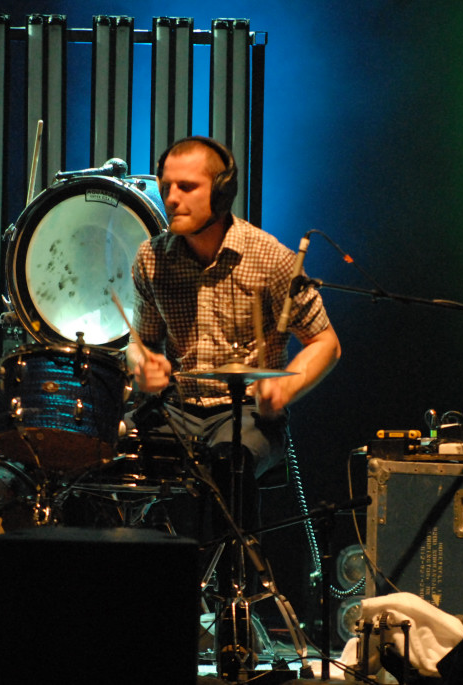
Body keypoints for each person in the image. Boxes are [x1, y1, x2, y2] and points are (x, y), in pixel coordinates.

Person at [125, 136, 340, 524]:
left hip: (245, 414)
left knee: (228, 463)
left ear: (222, 192)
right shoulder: (151, 258)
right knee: (102, 453)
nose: (171, 198)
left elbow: (325, 342)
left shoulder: (271, 258)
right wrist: (142, 363)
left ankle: (239, 563)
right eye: (166, 186)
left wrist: (286, 388)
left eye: (186, 187)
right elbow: (141, 342)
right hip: (176, 411)